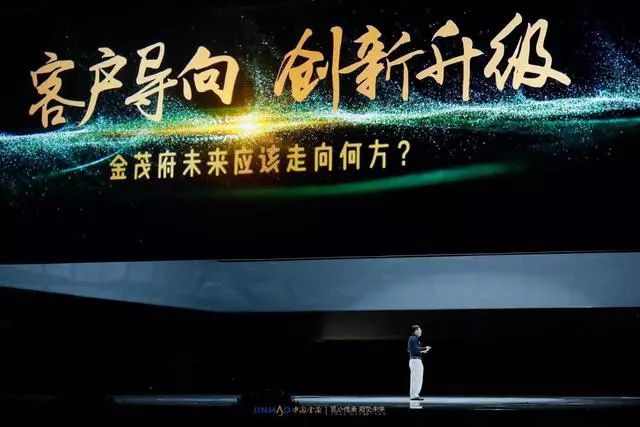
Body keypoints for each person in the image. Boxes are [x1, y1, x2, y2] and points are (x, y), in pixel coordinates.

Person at [407, 324, 431, 401]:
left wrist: (422, 351)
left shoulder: (413, 339)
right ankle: (414, 395)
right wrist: (424, 348)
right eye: (419, 330)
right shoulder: (413, 338)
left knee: (417, 378)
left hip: (415, 360)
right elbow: (413, 349)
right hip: (415, 361)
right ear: (416, 331)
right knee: (416, 378)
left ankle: (415, 395)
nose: (421, 331)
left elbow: (410, 349)